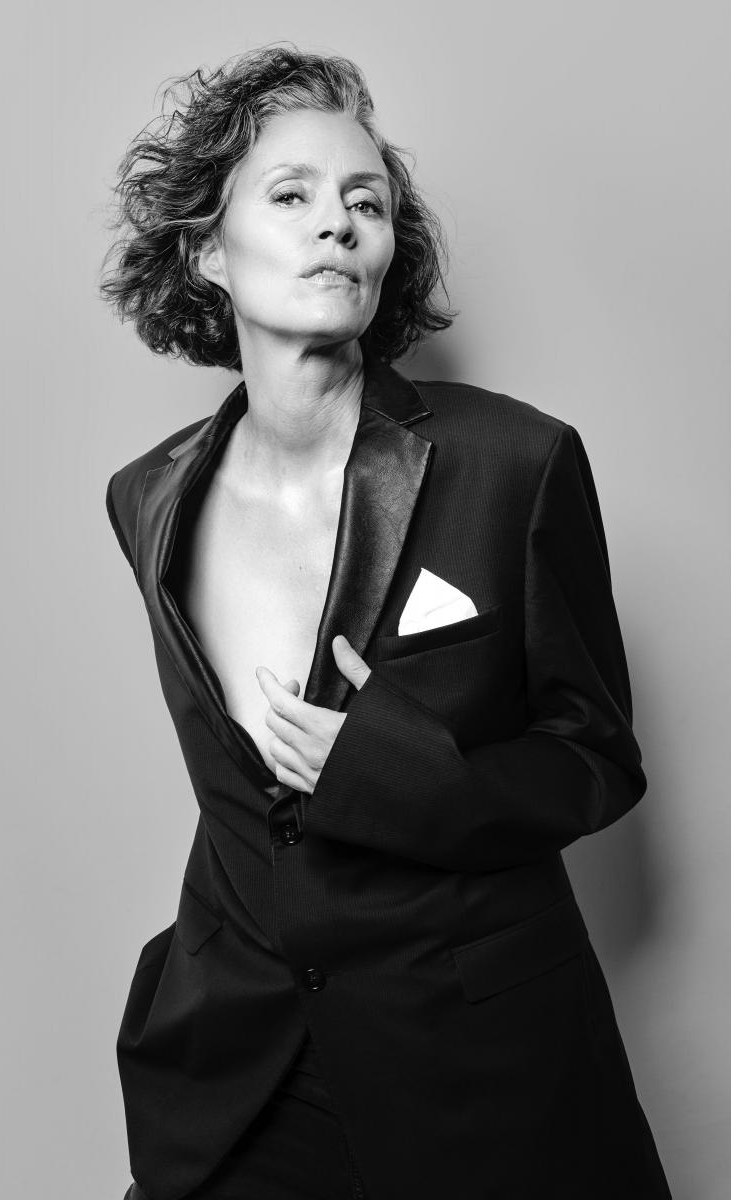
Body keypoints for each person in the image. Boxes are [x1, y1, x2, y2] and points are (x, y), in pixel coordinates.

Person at [100, 43, 672, 1200]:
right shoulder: (147, 498)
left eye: (365, 201)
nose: (337, 223)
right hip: (236, 1060)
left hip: (472, 1072)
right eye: (292, 195)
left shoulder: (512, 463)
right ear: (207, 250)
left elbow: (596, 763)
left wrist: (396, 775)